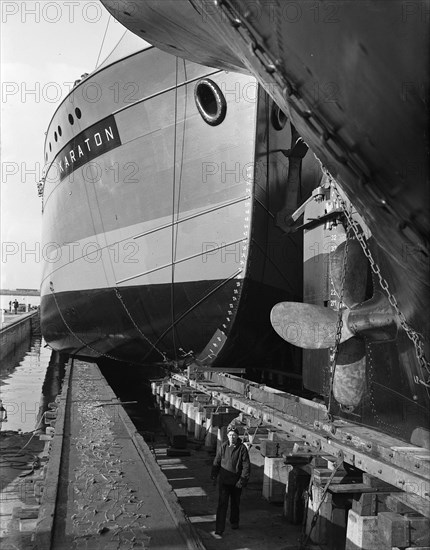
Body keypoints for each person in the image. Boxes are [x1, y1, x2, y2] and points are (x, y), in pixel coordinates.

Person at [211, 425, 250, 538]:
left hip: (236, 482)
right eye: (230, 435)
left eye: (234, 435)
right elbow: (217, 462)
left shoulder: (242, 448)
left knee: (235, 503)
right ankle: (219, 529)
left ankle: (234, 522)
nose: (232, 437)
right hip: (224, 482)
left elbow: (246, 466)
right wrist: (214, 475)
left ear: (237, 436)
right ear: (227, 436)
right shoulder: (223, 447)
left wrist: (242, 480)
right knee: (222, 504)